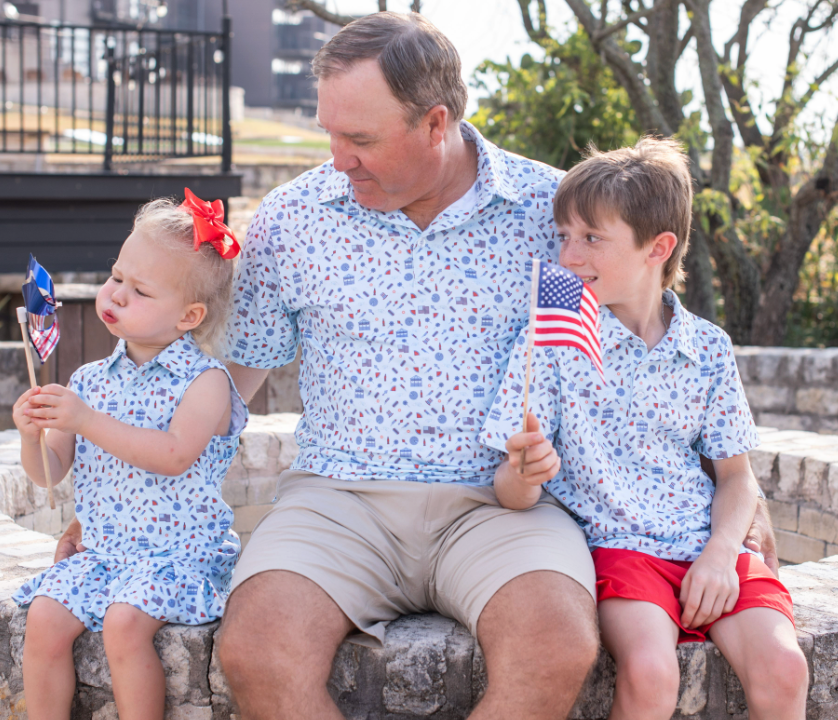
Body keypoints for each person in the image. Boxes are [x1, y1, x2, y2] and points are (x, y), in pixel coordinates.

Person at [54, 13, 779, 719]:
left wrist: (733, 493)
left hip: (502, 503)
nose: (338, 158)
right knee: (257, 652)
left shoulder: (552, 215)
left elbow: (645, 362)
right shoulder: (292, 219)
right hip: (337, 500)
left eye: (361, 138)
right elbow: (220, 397)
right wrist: (120, 509)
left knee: (557, 647)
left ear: (437, 123)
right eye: (330, 132)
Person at [479, 138, 808, 720]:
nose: (568, 255)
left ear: (659, 247)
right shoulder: (551, 342)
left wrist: (720, 551)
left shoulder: (707, 347)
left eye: (591, 238)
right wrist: (527, 474)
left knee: (785, 667)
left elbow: (737, 477)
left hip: (707, 546)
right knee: (651, 672)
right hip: (617, 550)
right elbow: (509, 490)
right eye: (564, 237)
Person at [13, 192, 248, 720]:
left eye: (139, 290)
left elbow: (173, 455)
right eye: (117, 276)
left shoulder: (205, 382)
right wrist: (32, 436)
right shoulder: (88, 381)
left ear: (188, 315)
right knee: (45, 617)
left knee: (123, 622)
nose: (116, 293)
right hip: (104, 553)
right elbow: (50, 473)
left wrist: (86, 420)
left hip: (176, 556)